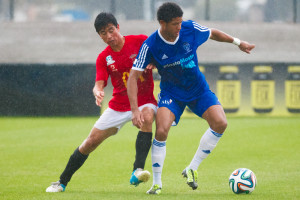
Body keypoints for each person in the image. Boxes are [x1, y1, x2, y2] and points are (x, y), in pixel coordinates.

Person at [127, 2, 255, 195]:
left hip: (198, 90)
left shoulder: (189, 28)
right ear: (162, 23)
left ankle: (192, 168)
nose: (180, 27)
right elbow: (132, 78)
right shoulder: (150, 45)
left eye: (181, 22)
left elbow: (212, 33)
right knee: (161, 130)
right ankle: (157, 184)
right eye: (175, 23)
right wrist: (135, 110)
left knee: (220, 123)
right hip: (172, 94)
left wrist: (238, 43)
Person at [46, 12, 157, 192]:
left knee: (147, 115)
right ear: (99, 35)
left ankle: (137, 170)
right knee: (89, 143)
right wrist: (97, 91)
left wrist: (155, 62)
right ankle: (62, 182)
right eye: (103, 33)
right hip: (118, 106)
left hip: (144, 100)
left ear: (118, 27)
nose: (109, 36)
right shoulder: (103, 57)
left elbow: (159, 58)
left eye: (111, 30)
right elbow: (99, 84)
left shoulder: (140, 41)